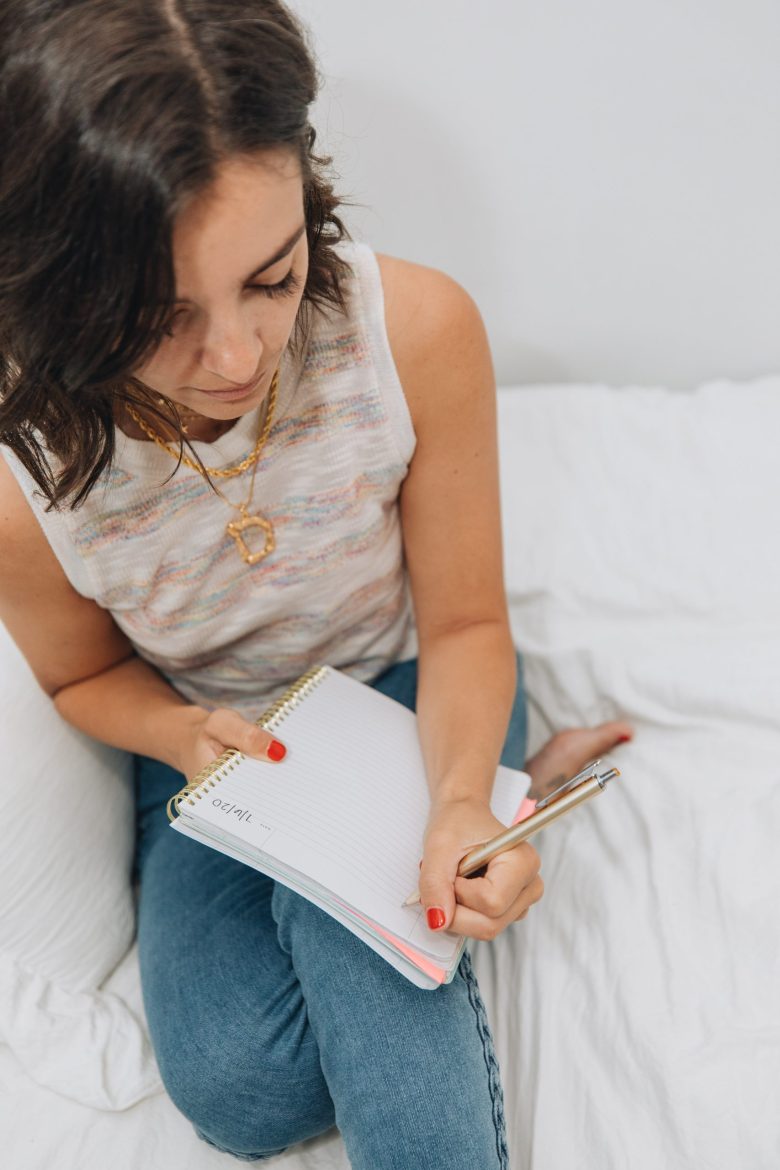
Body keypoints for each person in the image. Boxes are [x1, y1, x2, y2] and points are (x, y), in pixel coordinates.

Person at [0, 2, 633, 1166]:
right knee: (246, 1095)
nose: (238, 358)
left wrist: (452, 797)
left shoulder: (414, 332)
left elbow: (465, 620)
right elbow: (82, 678)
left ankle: (464, 811)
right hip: (216, 748)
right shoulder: (23, 482)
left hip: (410, 681)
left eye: (273, 277)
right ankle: (491, 808)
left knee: (360, 932)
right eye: (161, 319)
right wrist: (183, 736)